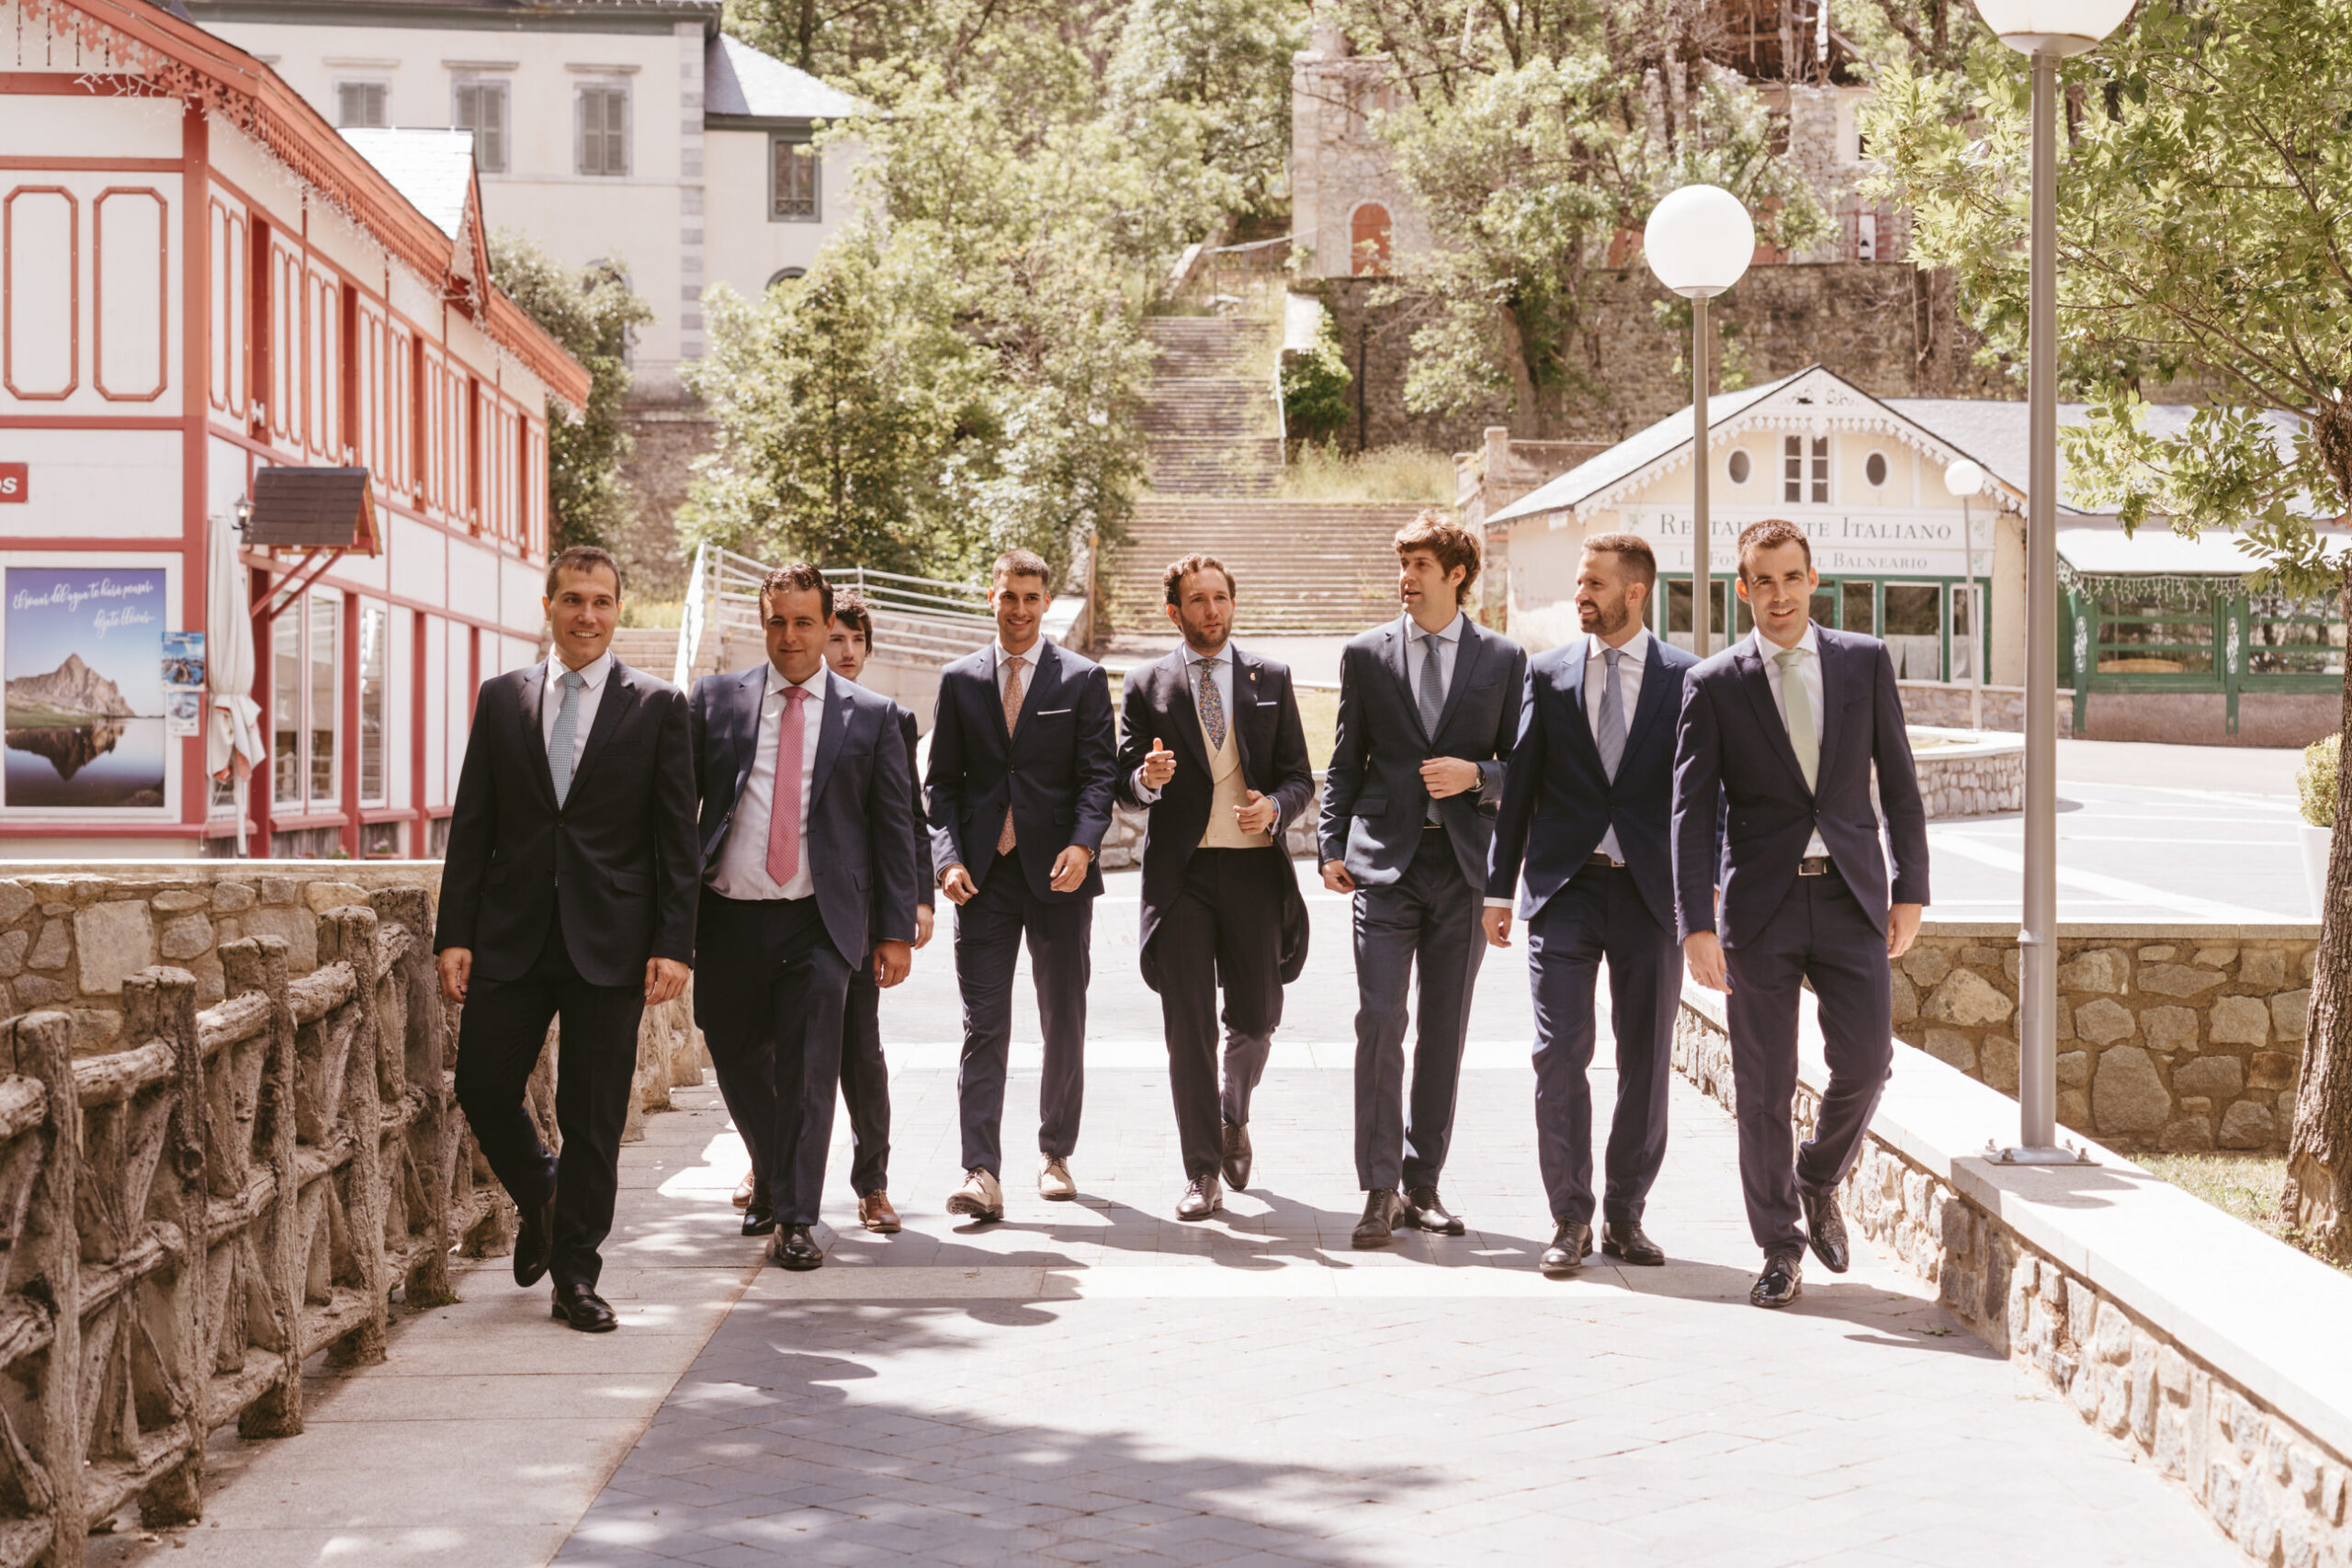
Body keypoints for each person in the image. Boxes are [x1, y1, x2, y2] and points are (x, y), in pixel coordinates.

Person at [435, 546, 698, 1334]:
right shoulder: (502, 697)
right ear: (548, 606)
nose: (588, 614)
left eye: (602, 601)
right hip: (510, 934)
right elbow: (473, 822)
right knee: (482, 1085)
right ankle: (545, 1193)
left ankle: (576, 1275)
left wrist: (675, 942)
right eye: (574, 599)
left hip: (610, 941)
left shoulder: (658, 705)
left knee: (593, 1116)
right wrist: (455, 931)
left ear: (619, 610)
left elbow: (676, 839)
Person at [1672, 517, 1930, 1309]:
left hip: (1852, 895)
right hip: (1761, 906)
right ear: (1742, 589)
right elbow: (1690, 812)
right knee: (1763, 1083)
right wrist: (1696, 924)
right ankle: (1780, 1247)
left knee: (1868, 1061)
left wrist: (1910, 888)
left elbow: (1900, 783)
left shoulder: (1863, 660)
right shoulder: (1714, 683)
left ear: (1813, 580)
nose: (1779, 595)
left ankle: (1817, 1175)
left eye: (1792, 578)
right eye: (1764, 581)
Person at [688, 563, 920, 1271]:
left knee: (811, 1068)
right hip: (727, 915)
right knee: (732, 1052)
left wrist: (896, 929)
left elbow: (894, 827)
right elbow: (675, 810)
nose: (790, 636)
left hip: (820, 921)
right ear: (763, 623)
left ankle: (794, 1218)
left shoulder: (872, 716)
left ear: (826, 625)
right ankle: (772, 1168)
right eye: (777, 621)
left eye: (804, 622)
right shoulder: (716, 700)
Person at [1483, 535, 1697, 1277]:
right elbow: (1521, 784)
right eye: (1579, 581)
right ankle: (1570, 1216)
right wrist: (1498, 887)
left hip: (1650, 895)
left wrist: (1706, 903)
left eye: (1594, 584)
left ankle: (1626, 1214)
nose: (1581, 594)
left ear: (1635, 592)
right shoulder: (1546, 673)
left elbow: (1703, 798)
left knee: (1646, 1059)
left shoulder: (1686, 679)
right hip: (1564, 889)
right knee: (1558, 1053)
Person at [1321, 513, 1527, 1250]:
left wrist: (1479, 775)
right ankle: (1379, 1189)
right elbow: (1345, 758)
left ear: (1456, 574)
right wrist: (1330, 844)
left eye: (1419, 565)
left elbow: (1525, 766)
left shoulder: (1503, 658)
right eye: (1402, 563)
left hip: (1464, 868)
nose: (1405, 578)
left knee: (1444, 1029)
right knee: (1380, 1020)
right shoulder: (1365, 653)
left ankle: (1423, 1184)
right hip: (1384, 864)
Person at [1114, 555, 1314, 1220]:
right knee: (1189, 1029)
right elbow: (1125, 784)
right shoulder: (1145, 684)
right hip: (1183, 879)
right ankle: (1201, 1171)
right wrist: (1148, 779)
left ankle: (1234, 1111)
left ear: (1233, 602)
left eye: (1220, 597)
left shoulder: (1271, 677)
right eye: (1197, 600)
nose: (1211, 610)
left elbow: (1298, 776)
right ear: (1175, 611)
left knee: (1256, 1019)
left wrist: (1275, 808)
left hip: (1255, 872)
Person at [926, 549, 1117, 1222]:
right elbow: (941, 787)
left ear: (1046, 602)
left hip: (1059, 876)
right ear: (992, 597)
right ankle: (981, 1171)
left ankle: (1056, 1154)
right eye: (1009, 596)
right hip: (981, 881)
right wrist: (946, 860)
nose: (1020, 609)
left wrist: (1083, 844)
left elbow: (1099, 776)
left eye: (1031, 598)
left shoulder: (1082, 679)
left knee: (1063, 1019)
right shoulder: (959, 681)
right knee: (984, 1025)